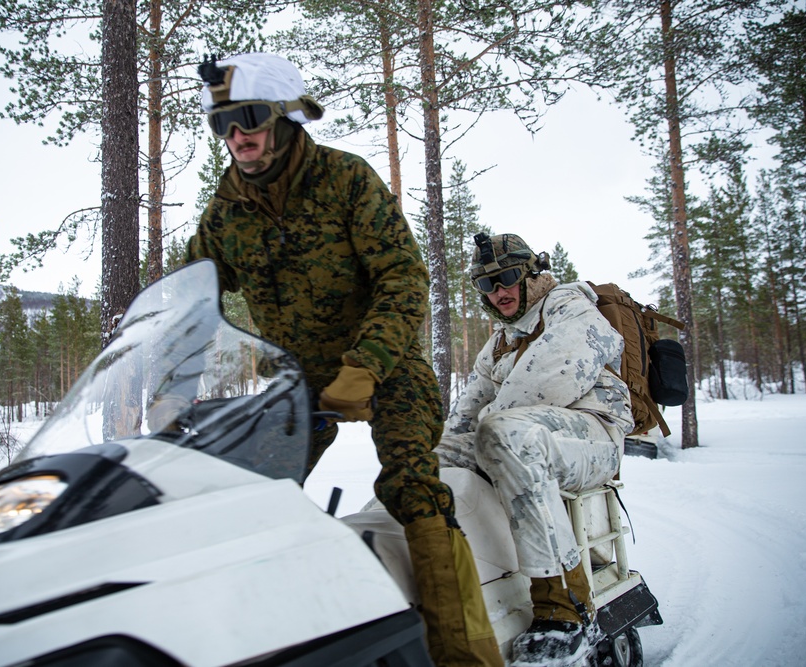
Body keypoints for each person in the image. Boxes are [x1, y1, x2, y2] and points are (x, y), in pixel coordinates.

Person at [185, 52, 501, 667]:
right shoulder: (227, 211)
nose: (237, 134)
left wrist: (367, 365)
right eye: (222, 122)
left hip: (384, 367)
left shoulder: (345, 180)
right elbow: (194, 292)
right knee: (250, 495)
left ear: (285, 119)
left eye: (249, 116)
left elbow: (404, 279)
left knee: (413, 488)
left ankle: (465, 655)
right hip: (298, 382)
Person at [438, 233, 635, 666]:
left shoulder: (570, 307)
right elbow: (469, 409)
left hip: (596, 435)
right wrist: (440, 452)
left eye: (507, 277)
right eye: (486, 285)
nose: (499, 292)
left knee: (505, 435)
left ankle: (566, 604)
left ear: (531, 274)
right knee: (439, 458)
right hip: (534, 434)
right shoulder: (501, 342)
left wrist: (485, 434)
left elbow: (550, 378)